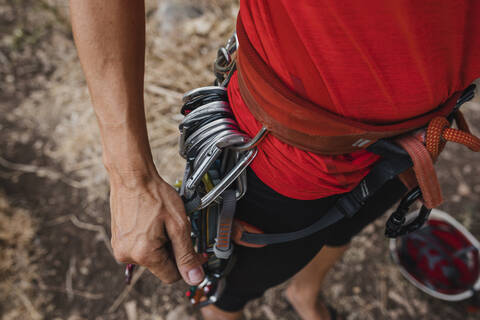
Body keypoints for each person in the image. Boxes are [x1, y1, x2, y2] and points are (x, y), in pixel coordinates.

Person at [69, 1, 480, 319]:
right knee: (231, 289)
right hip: (278, 156)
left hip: (420, 132)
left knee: (346, 228)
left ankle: (303, 292)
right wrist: (130, 178)